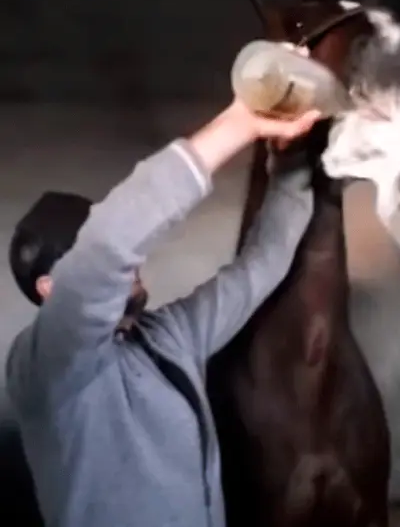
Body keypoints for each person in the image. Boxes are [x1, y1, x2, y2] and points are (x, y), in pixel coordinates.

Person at [5, 99, 322, 527]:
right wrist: (239, 123)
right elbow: (109, 245)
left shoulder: (166, 337)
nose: (131, 260)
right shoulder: (44, 364)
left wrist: (290, 163)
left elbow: (259, 265)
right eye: (84, 257)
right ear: (50, 289)